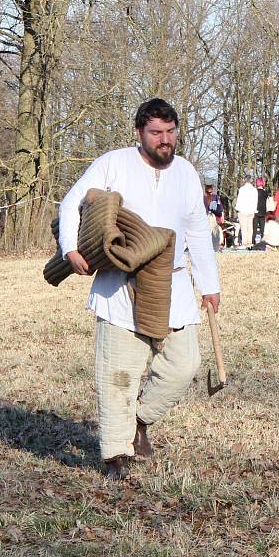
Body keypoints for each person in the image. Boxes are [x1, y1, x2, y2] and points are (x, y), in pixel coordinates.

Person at [58, 98, 221, 480]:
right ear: (139, 133)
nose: (165, 140)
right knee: (119, 373)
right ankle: (116, 455)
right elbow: (71, 204)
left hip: (174, 283)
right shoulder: (112, 163)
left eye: (171, 132)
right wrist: (70, 249)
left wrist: (210, 285)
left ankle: (140, 420)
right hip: (122, 284)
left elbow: (198, 231)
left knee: (185, 364)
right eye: (156, 133)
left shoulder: (186, 172)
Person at [235, 177, 257, 246]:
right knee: (250, 227)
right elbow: (255, 201)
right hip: (251, 210)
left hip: (242, 210)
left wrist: (237, 208)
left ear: (245, 180)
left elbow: (239, 200)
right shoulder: (254, 190)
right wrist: (254, 210)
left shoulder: (242, 189)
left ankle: (244, 242)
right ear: (251, 181)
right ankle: (249, 242)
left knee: (244, 228)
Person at [253, 177, 268, 243]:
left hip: (255, 212)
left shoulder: (254, 192)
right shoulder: (265, 193)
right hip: (263, 212)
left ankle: (253, 242)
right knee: (262, 229)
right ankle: (263, 242)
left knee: (254, 229)